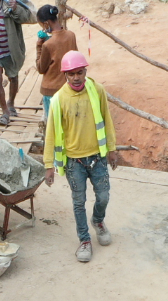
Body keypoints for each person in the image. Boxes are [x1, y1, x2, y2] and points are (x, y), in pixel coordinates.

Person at [44, 51, 120, 264]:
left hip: (97, 158)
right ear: (65, 75)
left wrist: (112, 149)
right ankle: (84, 240)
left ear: (85, 71)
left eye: (80, 72)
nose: (76, 78)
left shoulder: (97, 91)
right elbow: (50, 133)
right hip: (73, 162)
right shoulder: (58, 99)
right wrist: (49, 164)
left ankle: (98, 220)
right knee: (79, 202)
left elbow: (107, 120)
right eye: (71, 74)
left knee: (103, 196)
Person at [34, 4, 77, 126]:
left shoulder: (48, 44)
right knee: (69, 126)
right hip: (69, 88)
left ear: (46, 23)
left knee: (55, 128)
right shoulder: (71, 35)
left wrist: (39, 46)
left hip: (52, 91)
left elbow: (41, 68)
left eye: (42, 25)